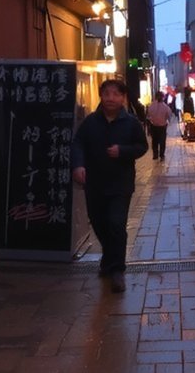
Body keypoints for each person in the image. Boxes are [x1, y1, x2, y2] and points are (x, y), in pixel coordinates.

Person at [71, 79, 148, 292]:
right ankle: (109, 256)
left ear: (123, 98)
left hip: (120, 184)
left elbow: (142, 146)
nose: (111, 98)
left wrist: (122, 151)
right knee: (98, 223)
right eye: (107, 94)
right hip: (94, 183)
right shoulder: (90, 122)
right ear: (101, 96)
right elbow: (78, 143)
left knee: (116, 224)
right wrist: (78, 165)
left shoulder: (131, 122)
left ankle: (117, 270)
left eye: (116, 94)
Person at [146, 91, 174, 160]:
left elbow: (148, 116)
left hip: (154, 126)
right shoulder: (165, 107)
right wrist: (167, 121)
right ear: (163, 98)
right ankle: (161, 155)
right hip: (162, 126)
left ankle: (155, 155)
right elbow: (169, 116)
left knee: (154, 141)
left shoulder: (151, 106)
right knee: (162, 141)